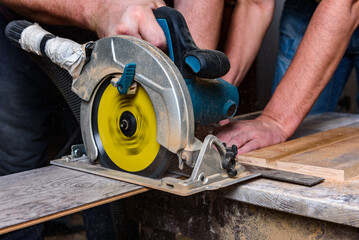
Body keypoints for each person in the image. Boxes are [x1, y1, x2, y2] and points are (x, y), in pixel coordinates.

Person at [0, 0, 226, 239]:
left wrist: (183, 88)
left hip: (134, 25)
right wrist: (98, 9)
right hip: (28, 21)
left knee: (107, 180)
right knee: (17, 172)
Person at [216, 0, 359, 154]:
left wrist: (275, 120)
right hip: (306, 11)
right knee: (297, 149)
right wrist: (221, 91)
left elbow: (345, 3)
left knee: (280, 122)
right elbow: (255, 3)